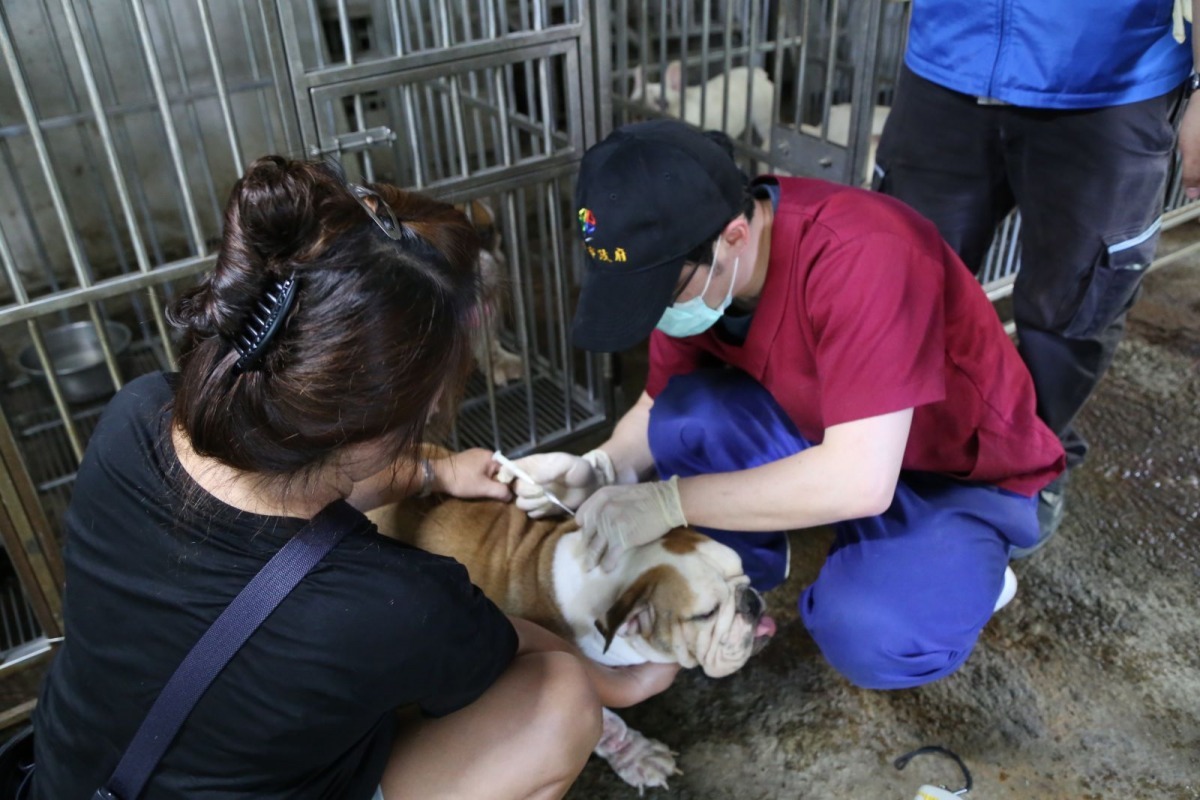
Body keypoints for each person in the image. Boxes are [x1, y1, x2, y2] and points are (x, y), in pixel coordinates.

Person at [29, 156, 676, 799]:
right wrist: (620, 680)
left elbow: (293, 485)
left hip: (68, 778)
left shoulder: (134, 414)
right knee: (558, 702)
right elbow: (519, 655)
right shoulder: (388, 603)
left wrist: (434, 471)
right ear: (406, 414)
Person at [498, 119, 1065, 691]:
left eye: (661, 291)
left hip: (951, 473)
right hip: (827, 436)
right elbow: (656, 402)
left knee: (873, 633)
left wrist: (668, 501)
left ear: (736, 236)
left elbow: (860, 482)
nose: (657, 311)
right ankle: (755, 564)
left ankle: (970, 570)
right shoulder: (697, 272)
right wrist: (602, 466)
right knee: (683, 419)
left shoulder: (863, 254)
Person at [872, 0, 1200, 554]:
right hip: (948, 57)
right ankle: (900, 448)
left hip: (1108, 79)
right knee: (903, 286)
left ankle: (1032, 460)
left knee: (1074, 308)